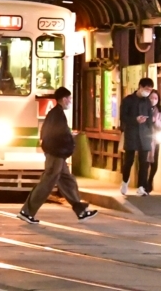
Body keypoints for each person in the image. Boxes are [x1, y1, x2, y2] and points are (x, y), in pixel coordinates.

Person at [18, 87, 98, 224]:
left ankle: (81, 211)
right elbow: (57, 135)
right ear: (64, 99)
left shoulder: (55, 113)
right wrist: (69, 140)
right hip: (56, 155)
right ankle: (27, 211)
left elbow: (49, 133)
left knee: (68, 181)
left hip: (57, 154)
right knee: (47, 183)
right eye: (70, 99)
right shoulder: (57, 115)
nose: (70, 101)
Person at [119, 78, 155, 196]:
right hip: (131, 133)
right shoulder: (128, 100)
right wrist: (135, 119)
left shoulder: (147, 102)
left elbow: (150, 118)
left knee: (143, 162)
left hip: (144, 135)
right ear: (140, 86)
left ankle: (141, 187)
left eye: (150, 90)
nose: (148, 92)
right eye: (146, 89)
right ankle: (125, 181)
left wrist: (150, 128)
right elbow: (123, 117)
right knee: (129, 160)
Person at [143, 89, 161, 195]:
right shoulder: (144, 109)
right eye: (151, 97)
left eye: (156, 98)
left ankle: (149, 181)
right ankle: (143, 185)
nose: (153, 100)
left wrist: (156, 120)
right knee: (145, 162)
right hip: (145, 138)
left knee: (154, 163)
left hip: (155, 139)